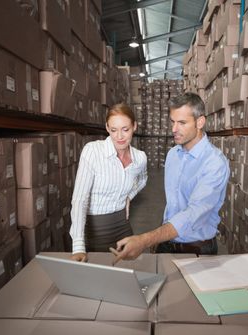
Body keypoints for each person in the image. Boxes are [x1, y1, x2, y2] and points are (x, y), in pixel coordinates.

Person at [113, 92, 229, 263]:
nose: (174, 129)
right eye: (172, 121)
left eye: (182, 122)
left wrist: (146, 239)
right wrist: (160, 239)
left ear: (200, 122)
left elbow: (193, 214)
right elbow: (173, 204)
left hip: (197, 249)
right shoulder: (173, 154)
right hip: (167, 243)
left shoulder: (215, 163)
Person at [69, 103, 148, 262]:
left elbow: (143, 179)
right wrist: (78, 246)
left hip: (123, 224)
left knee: (128, 273)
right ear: (107, 128)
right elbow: (80, 199)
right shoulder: (93, 151)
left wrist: (129, 196)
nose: (119, 136)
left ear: (134, 127)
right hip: (95, 229)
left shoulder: (140, 157)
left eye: (125, 129)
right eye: (113, 130)